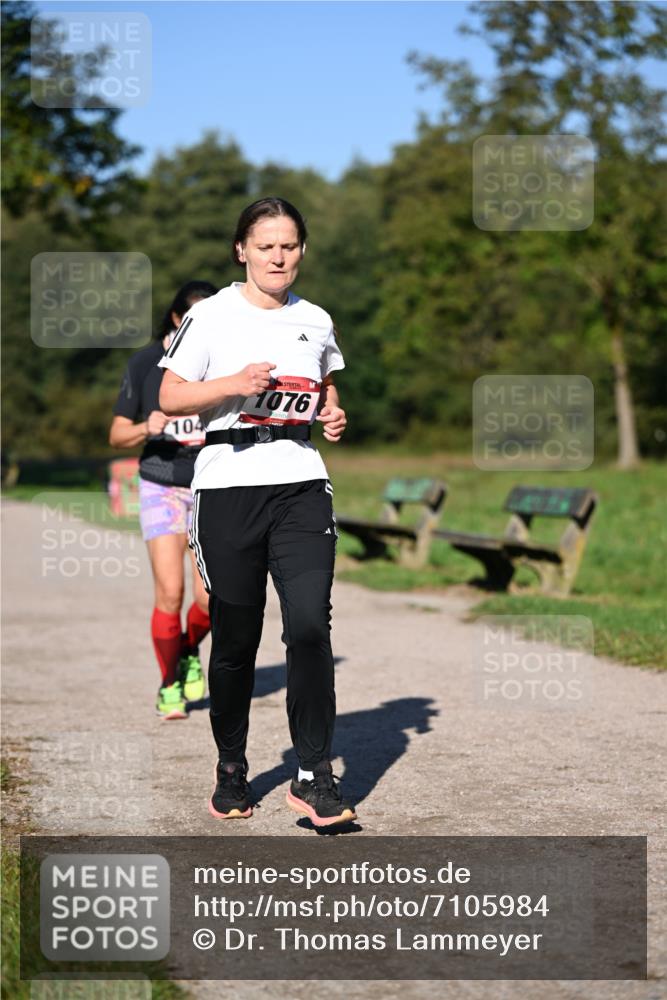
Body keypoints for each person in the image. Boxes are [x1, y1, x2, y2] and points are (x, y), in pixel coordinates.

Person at [159, 198, 356, 827]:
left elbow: (325, 390)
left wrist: (331, 415)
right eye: (266, 245)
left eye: (290, 245)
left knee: (308, 627)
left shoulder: (317, 320)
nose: (279, 256)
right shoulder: (211, 315)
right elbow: (170, 395)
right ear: (241, 249)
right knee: (237, 637)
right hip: (227, 487)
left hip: (300, 483)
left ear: (302, 251)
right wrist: (231, 384)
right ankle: (232, 767)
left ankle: (313, 774)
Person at [109, 280, 217, 720]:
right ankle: (170, 681)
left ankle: (187, 648)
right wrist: (147, 427)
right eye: (195, 319)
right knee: (170, 592)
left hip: (212, 485)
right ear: (177, 319)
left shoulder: (225, 360)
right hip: (161, 483)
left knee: (211, 600)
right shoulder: (146, 363)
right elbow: (117, 435)